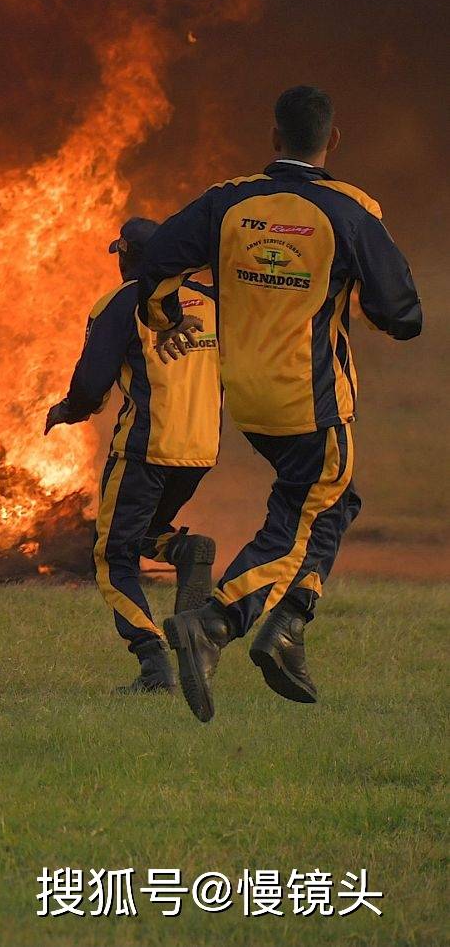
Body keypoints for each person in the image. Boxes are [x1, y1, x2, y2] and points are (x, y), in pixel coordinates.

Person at [131, 85, 422, 722]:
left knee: (330, 503)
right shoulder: (349, 211)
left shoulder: (228, 202)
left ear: (273, 139)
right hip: (314, 400)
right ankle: (216, 623)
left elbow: (154, 261)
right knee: (304, 516)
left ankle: (287, 625)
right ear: (333, 142)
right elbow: (402, 315)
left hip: (249, 400)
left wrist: (164, 314)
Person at [44, 217, 220, 692]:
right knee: (145, 534)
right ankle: (184, 550)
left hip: (145, 450)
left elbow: (90, 383)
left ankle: (152, 662)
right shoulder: (210, 300)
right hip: (201, 449)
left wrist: (70, 410)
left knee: (111, 554)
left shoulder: (122, 304)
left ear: (126, 257)